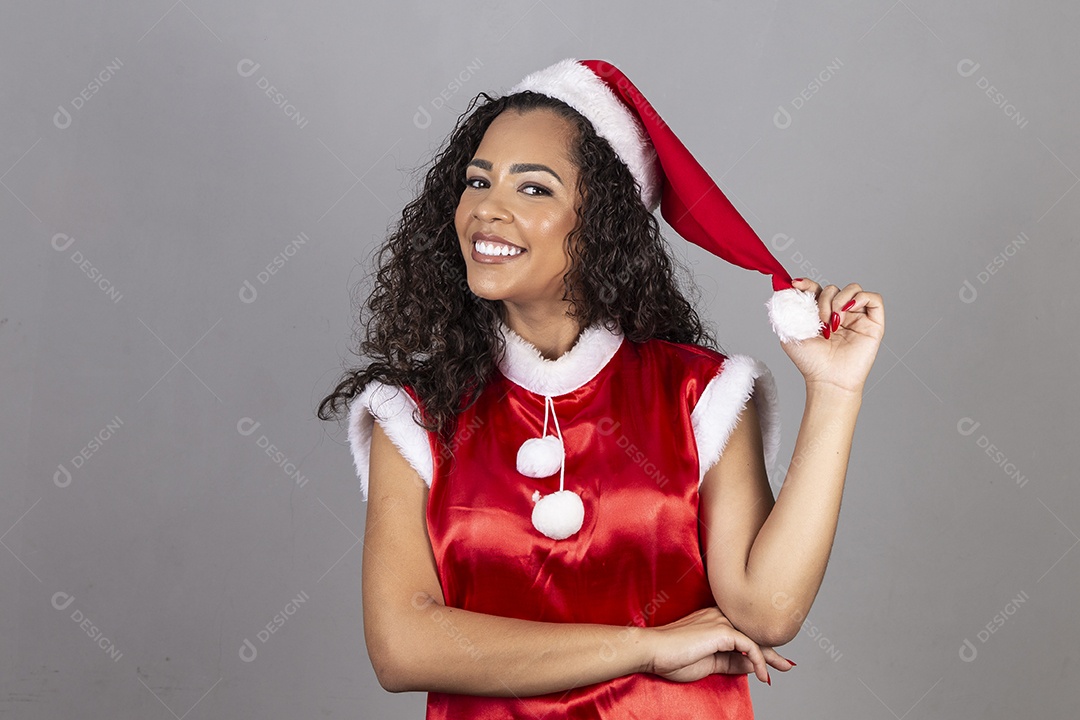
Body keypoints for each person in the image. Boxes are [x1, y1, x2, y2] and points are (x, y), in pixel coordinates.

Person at [318, 58, 885, 719]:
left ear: (601, 223)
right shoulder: (414, 414)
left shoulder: (701, 396)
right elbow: (403, 646)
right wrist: (644, 648)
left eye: (534, 190)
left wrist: (835, 392)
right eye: (477, 181)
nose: (487, 210)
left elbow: (767, 610)